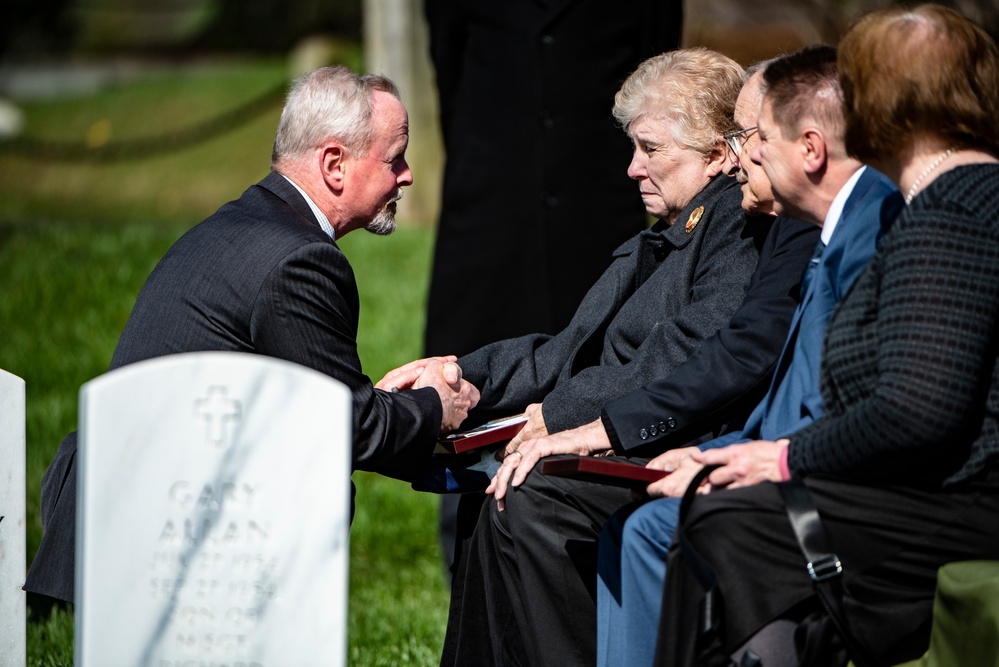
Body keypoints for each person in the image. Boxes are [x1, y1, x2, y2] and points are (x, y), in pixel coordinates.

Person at [23, 66, 480, 605]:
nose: (406, 176)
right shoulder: (300, 260)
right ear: (334, 164)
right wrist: (435, 406)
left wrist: (382, 402)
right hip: (166, 540)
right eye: (394, 157)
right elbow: (346, 428)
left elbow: (315, 409)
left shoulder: (237, 225)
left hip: (117, 502)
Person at [656, 6, 999, 666]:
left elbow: (915, 410)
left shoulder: (949, 214)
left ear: (879, 105)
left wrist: (782, 459)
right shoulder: (958, 199)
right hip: (950, 492)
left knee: (731, 521)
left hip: (968, 502)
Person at [440, 48, 792, 667]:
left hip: (677, 443)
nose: (632, 169)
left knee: (530, 498)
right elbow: (563, 349)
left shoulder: (738, 229)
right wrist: (460, 374)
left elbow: (683, 355)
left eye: (651, 149)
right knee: (496, 490)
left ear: (717, 152)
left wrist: (558, 422)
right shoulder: (662, 235)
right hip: (629, 434)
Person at [593, 45, 902, 667]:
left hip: (845, 492)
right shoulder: (824, 226)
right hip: (788, 462)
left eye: (752, 137)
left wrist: (737, 462)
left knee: (657, 531)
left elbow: (843, 398)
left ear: (809, 148)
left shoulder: (865, 226)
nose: (739, 157)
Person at [423, 0, 685, 576]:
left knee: (601, 354)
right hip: (492, 201)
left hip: (597, 202)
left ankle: (594, 533)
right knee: (474, 364)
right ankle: (465, 554)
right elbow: (451, 64)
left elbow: (656, 66)